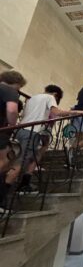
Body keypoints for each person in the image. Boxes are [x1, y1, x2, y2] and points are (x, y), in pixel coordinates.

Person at [12, 85, 83, 192]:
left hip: (21, 129)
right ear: (55, 95)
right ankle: (6, 192)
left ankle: (24, 183)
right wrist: (76, 112)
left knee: (19, 159)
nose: (55, 102)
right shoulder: (50, 97)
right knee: (20, 162)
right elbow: (56, 112)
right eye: (57, 100)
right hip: (32, 132)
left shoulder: (33, 98)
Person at [0, 71, 27, 210]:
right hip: (1, 130)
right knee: (4, 162)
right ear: (16, 82)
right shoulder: (10, 91)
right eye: (19, 87)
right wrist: (13, 125)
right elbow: (11, 110)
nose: (19, 90)